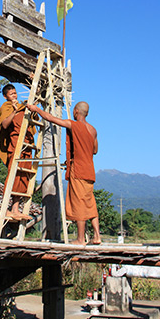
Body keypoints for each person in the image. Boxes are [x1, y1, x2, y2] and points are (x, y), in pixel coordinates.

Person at [26, 101, 100, 245]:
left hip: (78, 170)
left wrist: (36, 109)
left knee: (78, 202)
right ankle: (97, 236)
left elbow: (50, 118)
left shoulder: (73, 124)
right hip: (89, 170)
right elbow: (95, 150)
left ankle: (80, 239)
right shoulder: (93, 130)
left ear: (76, 112)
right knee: (90, 203)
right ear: (87, 113)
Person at [0, 84, 35, 221]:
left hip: (27, 144)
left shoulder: (22, 106)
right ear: (5, 96)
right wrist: (14, 112)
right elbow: (4, 125)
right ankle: (5, 208)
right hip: (16, 145)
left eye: (15, 93)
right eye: (11, 94)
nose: (15, 96)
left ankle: (15, 209)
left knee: (23, 177)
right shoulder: (6, 106)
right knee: (13, 175)